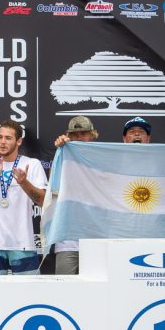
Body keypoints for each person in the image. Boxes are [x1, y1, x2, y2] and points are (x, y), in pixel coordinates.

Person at [0, 120, 48, 275]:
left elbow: (42, 200)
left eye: (8, 138)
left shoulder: (32, 164)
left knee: (28, 296)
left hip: (23, 244)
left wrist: (24, 182)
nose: (2, 142)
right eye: (0, 137)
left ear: (19, 141)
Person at [52, 116, 99, 274]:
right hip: (67, 240)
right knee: (63, 294)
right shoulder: (62, 156)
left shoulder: (103, 159)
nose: (78, 138)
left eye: (83, 134)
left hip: (97, 240)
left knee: (97, 292)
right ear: (68, 137)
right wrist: (61, 150)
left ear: (92, 136)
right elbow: (53, 188)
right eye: (74, 135)